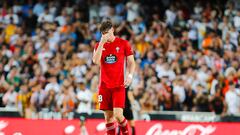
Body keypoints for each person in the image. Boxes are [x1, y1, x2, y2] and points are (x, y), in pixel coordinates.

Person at [92, 20, 135, 135]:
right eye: (103, 33)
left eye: (108, 32)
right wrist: (101, 43)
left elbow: (131, 62)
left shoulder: (123, 43)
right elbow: (96, 61)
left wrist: (130, 76)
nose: (106, 35)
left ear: (112, 30)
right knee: (108, 118)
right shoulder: (99, 45)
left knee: (118, 115)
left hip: (118, 85)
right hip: (104, 86)